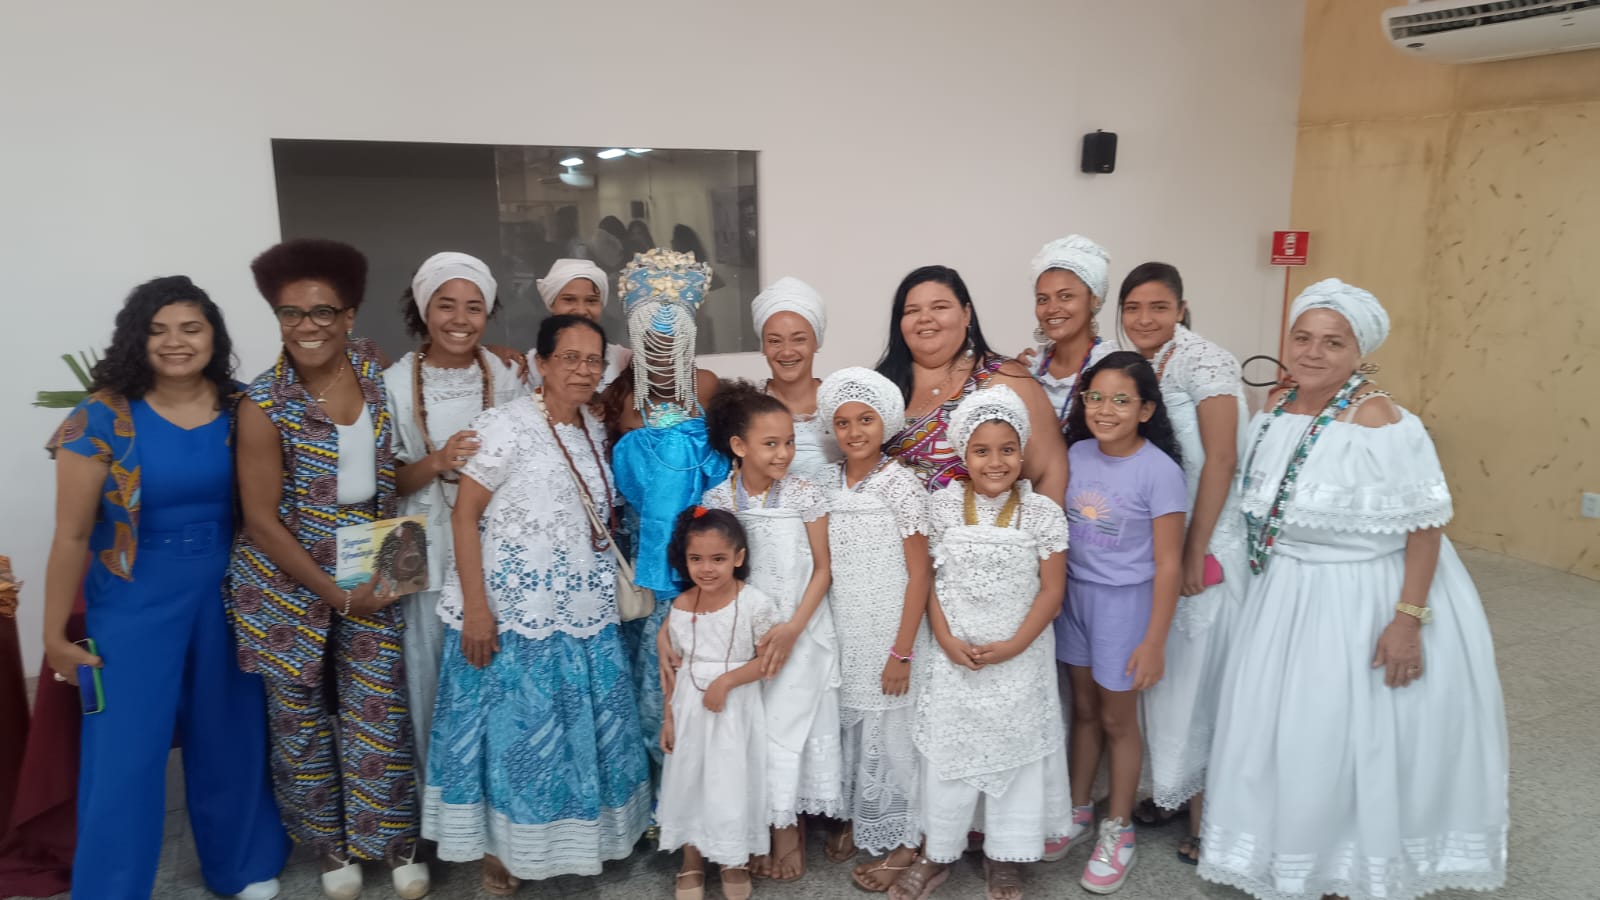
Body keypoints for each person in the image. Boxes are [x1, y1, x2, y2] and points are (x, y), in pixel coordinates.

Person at [1198, 279, 1508, 900]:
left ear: (1359, 352)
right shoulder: (1275, 408)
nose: (1312, 353)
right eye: (1302, 338)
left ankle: (1347, 870)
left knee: (1344, 737)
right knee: (1285, 733)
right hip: (1285, 594)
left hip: (1360, 599)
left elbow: (1425, 526)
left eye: (1332, 342)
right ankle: (1291, 856)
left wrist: (1407, 620)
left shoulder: (1379, 420)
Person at [41, 277, 288, 900]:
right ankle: (110, 888)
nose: (176, 342)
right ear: (137, 338)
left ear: (213, 336)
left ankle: (240, 866)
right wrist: (53, 637)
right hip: (133, 600)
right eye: (158, 330)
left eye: (191, 328)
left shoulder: (244, 406)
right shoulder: (100, 417)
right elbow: (71, 536)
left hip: (230, 595)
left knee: (231, 733)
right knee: (124, 753)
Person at [227, 239, 427, 900]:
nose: (306, 326)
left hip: (373, 557)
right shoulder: (263, 403)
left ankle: (393, 840)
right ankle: (331, 846)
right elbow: (261, 521)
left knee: (379, 706)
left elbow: (429, 371)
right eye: (290, 313)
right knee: (300, 720)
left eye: (321, 312)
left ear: (349, 316)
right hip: (285, 581)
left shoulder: (372, 365)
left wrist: (504, 354)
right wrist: (336, 597)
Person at [423, 314, 651, 894]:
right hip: (513, 614)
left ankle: (575, 840)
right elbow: (464, 516)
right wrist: (478, 609)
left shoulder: (593, 429)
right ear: (542, 363)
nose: (583, 369)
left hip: (581, 608)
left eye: (593, 360)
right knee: (514, 736)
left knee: (574, 737)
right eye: (569, 357)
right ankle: (501, 847)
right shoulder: (504, 425)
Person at [896, 385, 1071, 900]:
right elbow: (929, 581)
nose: (996, 462)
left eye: (1007, 450)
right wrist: (944, 637)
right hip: (955, 657)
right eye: (982, 451)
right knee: (950, 751)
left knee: (1015, 752)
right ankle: (938, 851)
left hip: (1020, 657)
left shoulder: (1042, 513)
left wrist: (1016, 645)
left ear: (1023, 450)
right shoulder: (942, 507)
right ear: (963, 454)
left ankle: (1006, 854)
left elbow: (1053, 591)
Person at [1115, 262, 1250, 860]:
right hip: (1160, 541)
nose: (1145, 319)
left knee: (1201, 679)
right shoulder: (1142, 364)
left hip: (1206, 542)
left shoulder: (1207, 361)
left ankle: (1207, 817)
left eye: (1158, 307)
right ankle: (1169, 789)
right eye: (1133, 308)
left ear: (1181, 308)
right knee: (1163, 678)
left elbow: (1222, 459)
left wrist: (1196, 549)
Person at [384, 252, 527, 785]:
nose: (460, 320)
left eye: (474, 307)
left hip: (493, 537)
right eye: (446, 306)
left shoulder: (507, 375)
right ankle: (441, 801)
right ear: (424, 310)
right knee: (425, 665)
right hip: (415, 537)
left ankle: (498, 795)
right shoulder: (393, 383)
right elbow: (384, 484)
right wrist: (437, 461)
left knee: (495, 662)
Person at [698, 381, 842, 880]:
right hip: (748, 637)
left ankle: (789, 829)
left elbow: (823, 568)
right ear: (739, 446)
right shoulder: (718, 499)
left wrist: (794, 628)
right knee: (755, 732)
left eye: (789, 442)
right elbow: (720, 572)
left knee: (790, 728)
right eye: (771, 443)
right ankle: (764, 825)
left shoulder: (806, 495)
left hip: (802, 630)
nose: (784, 453)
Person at [1058, 352, 1188, 893]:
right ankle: (1077, 808)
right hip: (1075, 599)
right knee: (1085, 710)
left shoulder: (1160, 472)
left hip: (1124, 607)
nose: (1104, 409)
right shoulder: (1076, 453)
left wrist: (1154, 641)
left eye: (1120, 400)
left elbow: (1169, 564)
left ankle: (1119, 829)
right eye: (1095, 397)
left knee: (1118, 721)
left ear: (1145, 410)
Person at [816, 368, 931, 893]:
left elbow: (920, 573)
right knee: (852, 725)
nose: (854, 431)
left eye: (865, 420)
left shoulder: (901, 485)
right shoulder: (826, 482)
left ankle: (906, 838)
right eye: (843, 422)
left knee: (894, 734)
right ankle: (857, 816)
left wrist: (902, 651)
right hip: (846, 627)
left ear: (885, 421)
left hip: (890, 629)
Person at [657, 508, 782, 900]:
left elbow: (769, 660)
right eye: (696, 559)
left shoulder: (755, 604)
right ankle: (691, 860)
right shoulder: (680, 607)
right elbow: (671, 672)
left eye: (718, 559)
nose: (706, 569)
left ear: (738, 558)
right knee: (689, 780)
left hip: (734, 712)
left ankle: (733, 858)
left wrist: (727, 681)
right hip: (689, 712)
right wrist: (668, 719)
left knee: (731, 782)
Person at [876, 266, 1066, 501]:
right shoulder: (881, 386)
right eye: (912, 311)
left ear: (966, 314)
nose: (924, 318)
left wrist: (1046, 524)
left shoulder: (1005, 379)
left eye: (940, 307)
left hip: (983, 523)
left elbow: (1049, 472)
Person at [1021, 235, 1117, 429]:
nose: (1051, 308)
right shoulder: (1030, 367)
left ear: (1094, 300)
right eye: (1043, 299)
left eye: (1065, 296)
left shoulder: (1113, 368)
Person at [751, 277, 841, 483]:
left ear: (816, 342)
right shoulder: (748, 404)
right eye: (774, 341)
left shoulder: (841, 401)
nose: (787, 351)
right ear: (763, 346)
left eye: (799, 339)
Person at [528, 258, 632, 389]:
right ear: (552, 304)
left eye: (591, 301)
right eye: (569, 300)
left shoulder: (624, 360)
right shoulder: (528, 366)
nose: (581, 311)